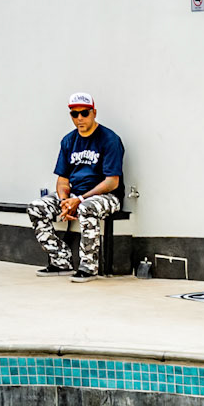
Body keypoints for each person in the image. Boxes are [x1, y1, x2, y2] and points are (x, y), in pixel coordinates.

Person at [26, 91, 125, 280]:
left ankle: (89, 266)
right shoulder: (68, 141)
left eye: (84, 113)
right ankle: (60, 261)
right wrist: (65, 201)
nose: (80, 118)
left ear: (94, 113)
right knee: (36, 207)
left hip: (107, 196)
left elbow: (112, 181)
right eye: (74, 113)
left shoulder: (110, 139)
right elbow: (63, 180)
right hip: (74, 195)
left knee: (86, 207)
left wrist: (79, 200)